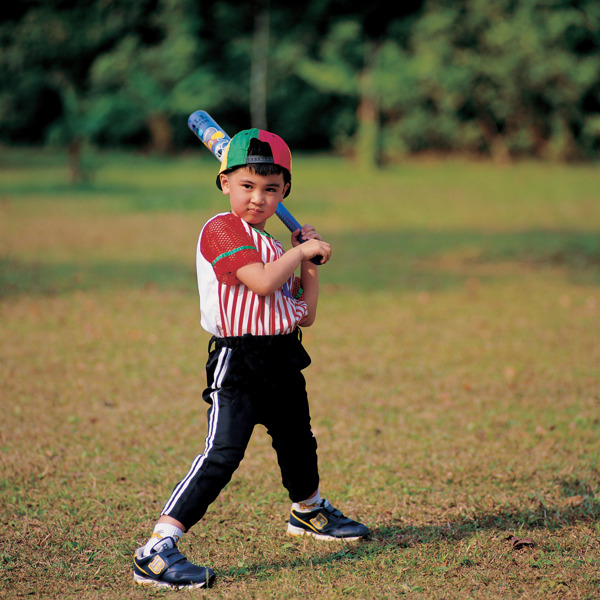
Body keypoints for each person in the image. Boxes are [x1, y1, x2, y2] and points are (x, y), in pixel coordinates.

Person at [133, 128, 369, 590]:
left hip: (282, 357)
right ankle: (157, 548)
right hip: (239, 361)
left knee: (299, 441)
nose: (258, 199)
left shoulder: (275, 247)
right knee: (222, 454)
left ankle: (308, 511)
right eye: (247, 186)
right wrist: (299, 249)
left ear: (284, 192)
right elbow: (260, 283)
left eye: (270, 189)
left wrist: (307, 263)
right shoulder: (220, 230)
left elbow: (305, 315)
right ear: (225, 183)